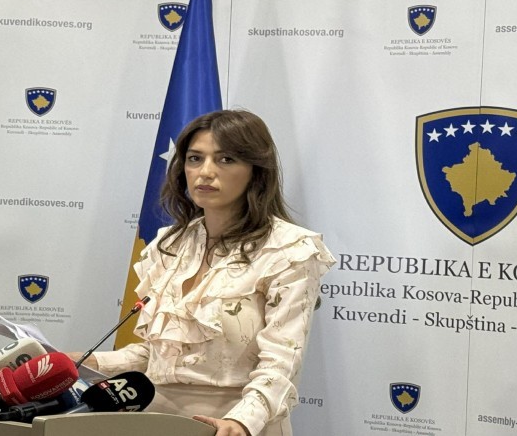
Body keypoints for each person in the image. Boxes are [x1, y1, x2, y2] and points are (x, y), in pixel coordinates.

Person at [69, 109, 335, 436]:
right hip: (153, 421)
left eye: (225, 159)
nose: (205, 172)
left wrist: (242, 422)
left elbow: (281, 363)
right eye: (195, 159)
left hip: (238, 425)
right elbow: (155, 355)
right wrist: (84, 362)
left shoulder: (291, 250)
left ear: (256, 171)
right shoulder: (168, 244)